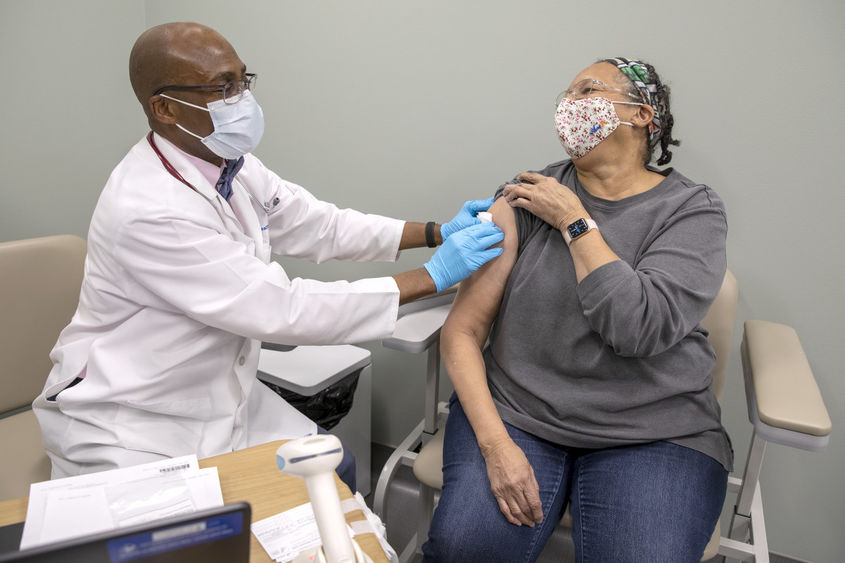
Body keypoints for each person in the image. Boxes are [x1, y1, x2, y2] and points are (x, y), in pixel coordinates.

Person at [32, 22, 504, 490]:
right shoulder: (148, 209)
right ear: (164, 107)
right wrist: (434, 275)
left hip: (216, 396)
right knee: (206, 538)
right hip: (135, 418)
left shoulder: (227, 164)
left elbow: (319, 224)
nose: (242, 99)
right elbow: (282, 308)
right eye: (223, 88)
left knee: (336, 470)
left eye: (242, 81)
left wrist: (436, 232)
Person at [422, 58, 732, 562]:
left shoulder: (690, 211)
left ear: (641, 114)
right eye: (567, 94)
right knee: (464, 550)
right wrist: (498, 447)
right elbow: (463, 331)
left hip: (654, 430)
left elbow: (636, 328)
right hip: (520, 414)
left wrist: (574, 220)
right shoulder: (525, 196)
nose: (569, 105)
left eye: (587, 90)